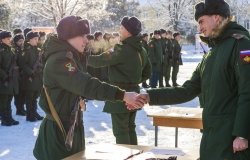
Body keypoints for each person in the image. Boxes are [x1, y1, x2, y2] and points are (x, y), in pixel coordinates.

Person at [139, 0, 250, 159]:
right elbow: (188, 90)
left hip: (232, 141)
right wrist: (150, 95)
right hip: (211, 137)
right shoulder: (211, 55)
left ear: (217, 18)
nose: (199, 28)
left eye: (201, 21)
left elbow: (248, 91)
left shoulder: (242, 45)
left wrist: (242, 134)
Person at [33, 15, 146, 160]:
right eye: (82, 35)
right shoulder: (60, 60)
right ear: (69, 36)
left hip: (71, 127)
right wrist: (122, 95)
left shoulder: (71, 56)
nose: (86, 40)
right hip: (59, 132)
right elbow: (86, 84)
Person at [88, 16, 152, 145]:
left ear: (128, 31)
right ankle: (134, 155)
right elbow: (147, 72)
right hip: (135, 92)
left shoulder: (121, 49)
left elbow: (99, 61)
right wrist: (134, 81)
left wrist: (81, 57)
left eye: (121, 28)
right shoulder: (142, 50)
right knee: (130, 128)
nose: (119, 30)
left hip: (120, 95)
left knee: (121, 131)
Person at [19, 31, 44, 122]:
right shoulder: (26, 50)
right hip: (29, 78)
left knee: (34, 98)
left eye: (37, 39)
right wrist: (31, 72)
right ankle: (30, 115)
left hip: (37, 78)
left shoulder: (37, 50)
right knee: (29, 98)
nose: (37, 41)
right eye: (35, 39)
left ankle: (34, 113)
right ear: (29, 40)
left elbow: (40, 62)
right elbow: (23, 64)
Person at [0, 31, 19, 126]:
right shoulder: (1, 50)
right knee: (3, 101)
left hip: (11, 79)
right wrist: (4, 76)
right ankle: (4, 119)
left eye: (10, 38)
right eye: (7, 38)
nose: (9, 40)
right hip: (3, 80)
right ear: (2, 40)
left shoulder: (10, 49)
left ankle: (9, 118)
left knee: (8, 100)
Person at [12, 34, 26, 116]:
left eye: (22, 40)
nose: (21, 42)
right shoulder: (14, 50)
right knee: (18, 93)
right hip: (17, 75)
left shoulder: (23, 49)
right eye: (20, 41)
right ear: (16, 42)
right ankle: (19, 109)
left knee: (22, 93)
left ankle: (22, 108)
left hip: (23, 75)